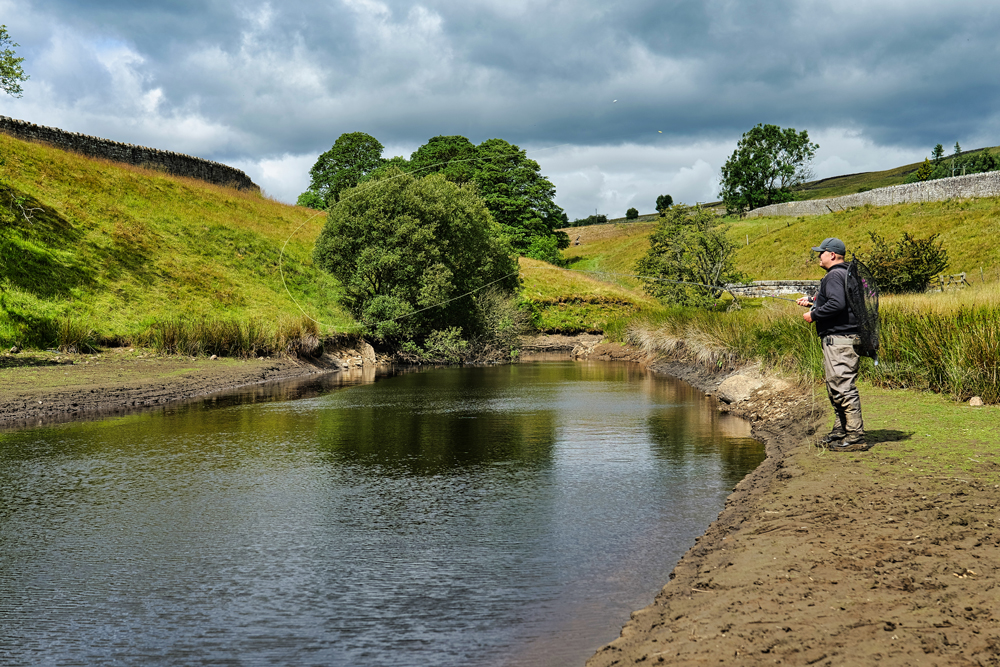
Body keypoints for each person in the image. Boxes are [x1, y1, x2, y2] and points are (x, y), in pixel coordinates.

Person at [796, 237, 867, 452]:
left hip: (840, 341)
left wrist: (814, 314)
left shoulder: (834, 275)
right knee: (834, 385)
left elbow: (837, 304)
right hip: (843, 339)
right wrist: (812, 300)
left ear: (832, 255)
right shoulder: (845, 273)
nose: (819, 256)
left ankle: (855, 436)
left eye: (821, 253)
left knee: (843, 386)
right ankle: (841, 430)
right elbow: (838, 300)